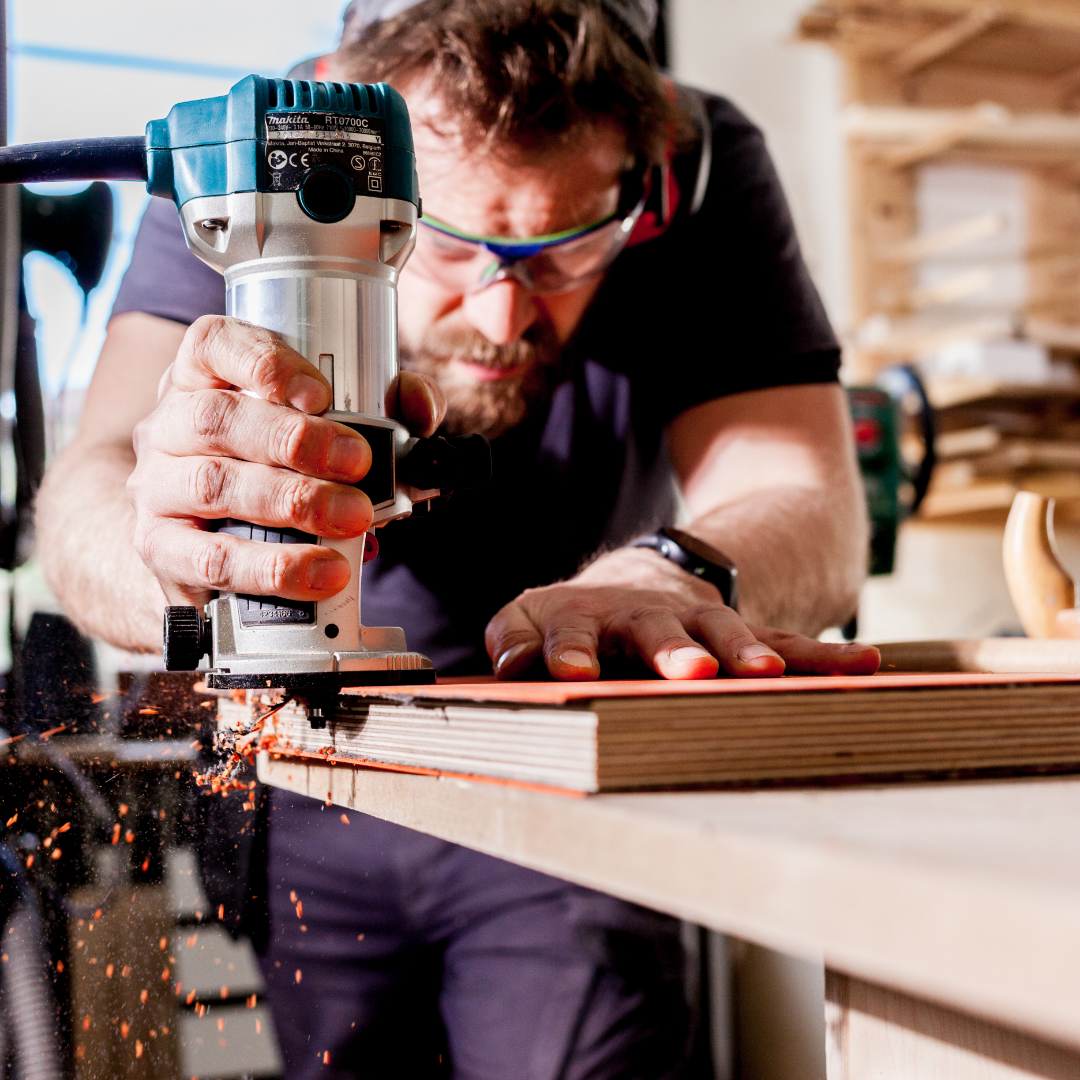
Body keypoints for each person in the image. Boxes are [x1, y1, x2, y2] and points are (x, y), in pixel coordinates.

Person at [36, 1, 879, 1076]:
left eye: (564, 252)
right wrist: (175, 545)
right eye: (444, 243)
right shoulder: (252, 150)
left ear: (645, 165)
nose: (501, 316)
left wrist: (662, 573)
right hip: (310, 769)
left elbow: (807, 495)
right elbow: (90, 486)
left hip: (561, 771)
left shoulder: (695, 161)